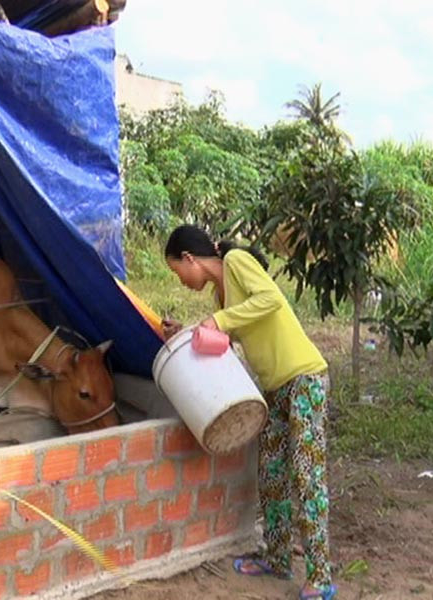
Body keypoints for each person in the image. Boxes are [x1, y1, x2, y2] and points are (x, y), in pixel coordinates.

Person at [162, 224, 336, 600]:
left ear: (190, 259)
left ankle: (321, 575)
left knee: (307, 477)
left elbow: (270, 300)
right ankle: (277, 559)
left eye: (178, 271)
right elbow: (232, 334)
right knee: (271, 474)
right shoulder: (221, 300)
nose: (181, 281)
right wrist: (190, 330)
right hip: (274, 387)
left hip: (304, 378)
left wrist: (219, 322)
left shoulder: (236, 261)